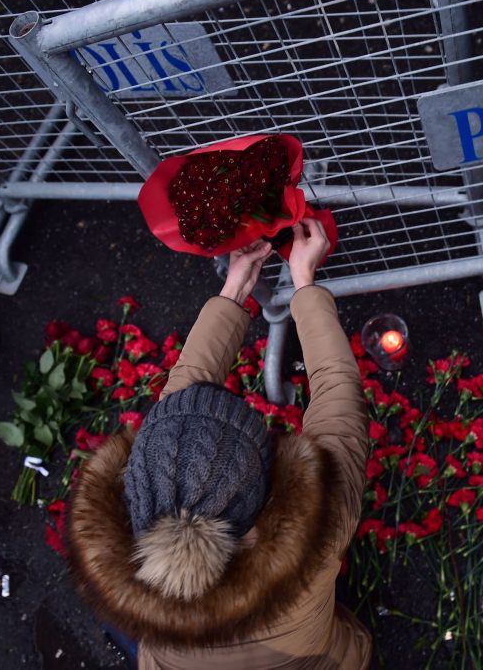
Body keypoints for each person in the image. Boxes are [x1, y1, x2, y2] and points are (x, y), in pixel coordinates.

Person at [67, 218, 373, 669]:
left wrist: (234, 291)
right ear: (263, 492)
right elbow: (340, 402)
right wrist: (304, 282)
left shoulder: (116, 561)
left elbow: (177, 432)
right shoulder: (318, 540)